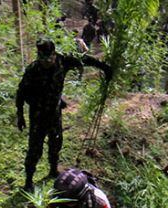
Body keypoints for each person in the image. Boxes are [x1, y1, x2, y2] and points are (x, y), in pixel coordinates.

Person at [16, 38, 112, 192]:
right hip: (38, 114)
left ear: (54, 54)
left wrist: (104, 67)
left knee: (56, 142)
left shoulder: (63, 60)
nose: (45, 62)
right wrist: (20, 115)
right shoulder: (33, 69)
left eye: (48, 58)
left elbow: (85, 59)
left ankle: (53, 170)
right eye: (42, 59)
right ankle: (28, 181)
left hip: (55, 112)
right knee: (35, 148)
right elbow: (21, 93)